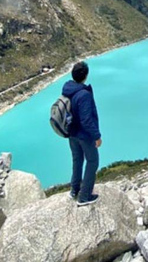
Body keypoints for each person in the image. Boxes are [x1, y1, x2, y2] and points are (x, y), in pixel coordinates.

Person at [62, 61, 102, 207]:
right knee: (93, 161)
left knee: (77, 160)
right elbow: (86, 120)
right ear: (85, 75)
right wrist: (96, 136)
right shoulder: (83, 94)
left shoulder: (67, 89)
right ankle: (84, 197)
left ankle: (74, 190)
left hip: (71, 133)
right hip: (84, 135)